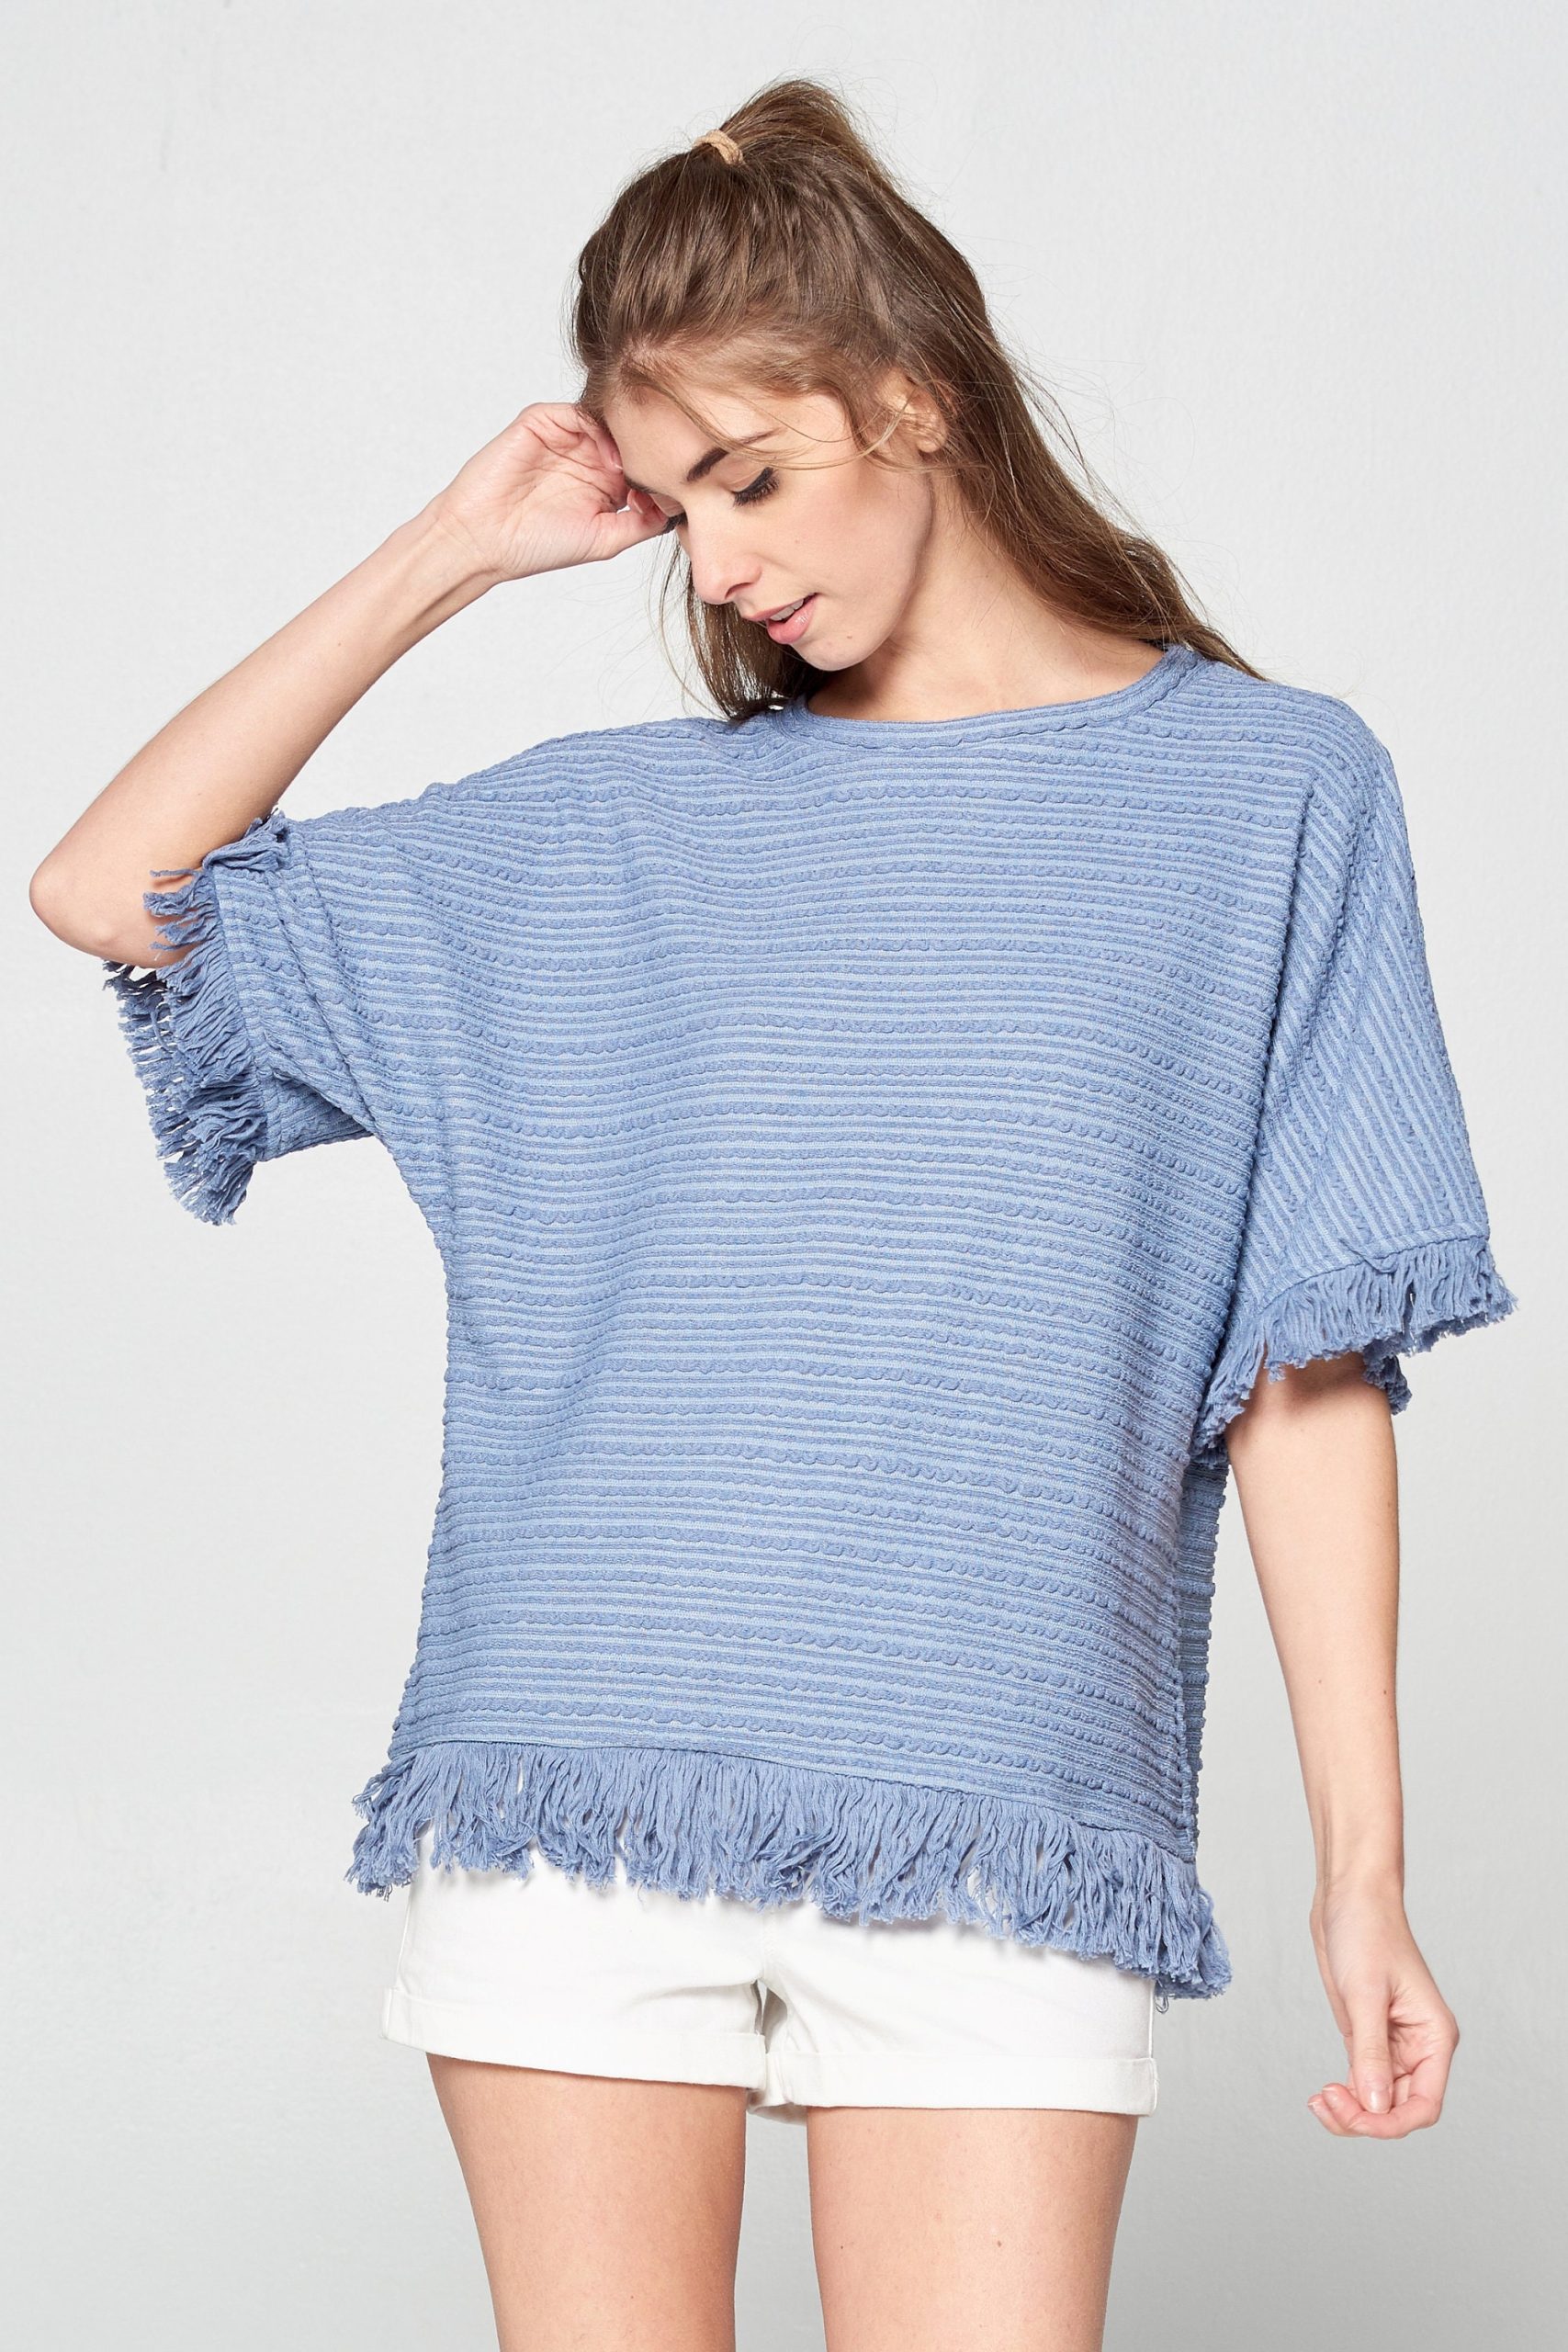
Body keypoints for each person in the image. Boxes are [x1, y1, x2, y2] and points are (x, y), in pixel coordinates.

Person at [29, 73, 1517, 2352]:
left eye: (749, 473)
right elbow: (107, 887)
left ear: (912, 396)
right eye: (677, 507)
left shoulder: (1264, 794)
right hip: (575, 1785)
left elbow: (1305, 1364)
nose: (714, 565)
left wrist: (1362, 1871)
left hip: (999, 1799)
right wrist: (452, 546)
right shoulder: (603, 833)